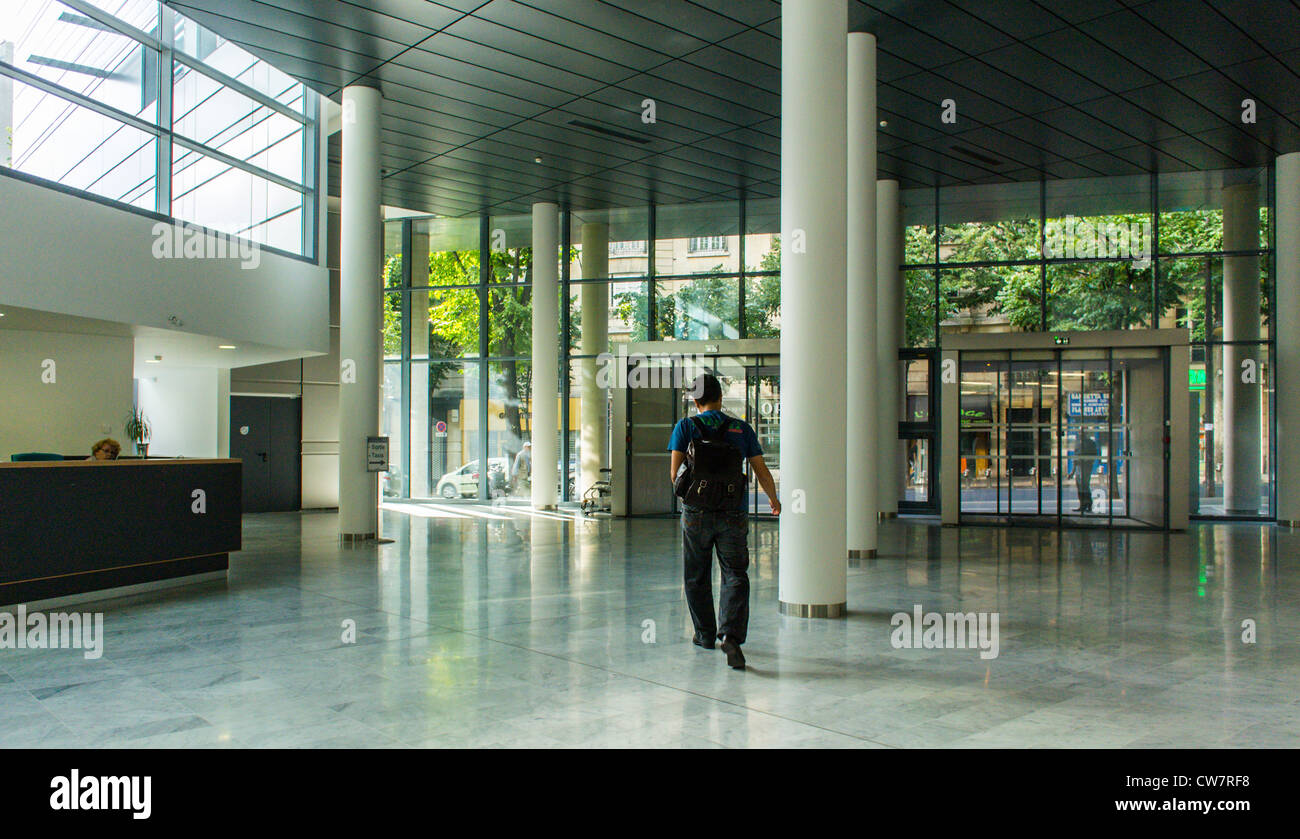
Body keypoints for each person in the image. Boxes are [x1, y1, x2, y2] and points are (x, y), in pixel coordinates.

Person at [667, 373, 779, 671]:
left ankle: (704, 635)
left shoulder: (686, 427)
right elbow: (760, 470)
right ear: (720, 397)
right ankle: (730, 635)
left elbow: (675, 475)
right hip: (733, 512)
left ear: (695, 400)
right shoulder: (741, 429)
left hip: (696, 514)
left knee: (697, 574)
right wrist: (773, 499)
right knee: (735, 573)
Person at [1074, 430, 1099, 513]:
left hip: (1086, 467)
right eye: (1080, 433)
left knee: (1084, 485)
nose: (1081, 435)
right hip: (1078, 466)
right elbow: (1075, 457)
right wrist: (1073, 471)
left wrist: (1087, 461)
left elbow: (1094, 454)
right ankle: (1082, 504)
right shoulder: (1077, 443)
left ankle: (1088, 504)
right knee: (1079, 486)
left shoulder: (1090, 443)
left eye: (1082, 434)